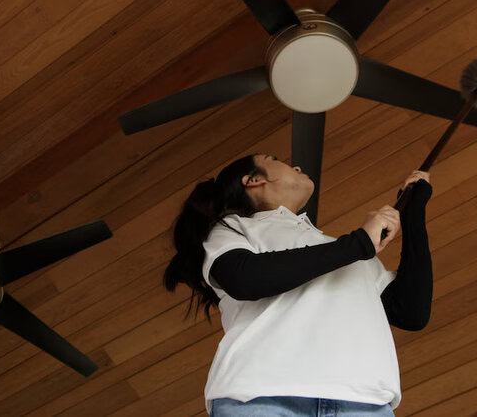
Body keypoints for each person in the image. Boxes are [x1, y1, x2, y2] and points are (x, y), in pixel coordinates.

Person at [163, 153, 433, 416]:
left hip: (365, 401)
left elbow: (411, 312)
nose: (298, 165)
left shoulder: (354, 256)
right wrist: (358, 243)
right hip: (261, 394)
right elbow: (244, 278)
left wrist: (413, 215)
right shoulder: (234, 228)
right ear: (253, 180)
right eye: (276, 160)